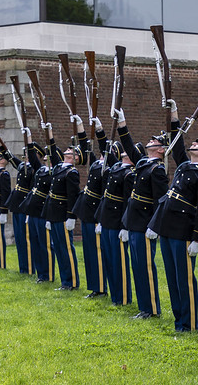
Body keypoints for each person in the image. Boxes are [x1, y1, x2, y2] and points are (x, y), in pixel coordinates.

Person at [147, 100, 198, 332]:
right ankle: (179, 320)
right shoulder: (185, 166)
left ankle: (189, 322)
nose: (194, 144)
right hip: (167, 228)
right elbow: (177, 144)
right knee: (173, 278)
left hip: (184, 231)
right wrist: (174, 114)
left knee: (184, 280)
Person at [117, 108, 169, 319]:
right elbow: (129, 146)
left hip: (146, 223)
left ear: (162, 149)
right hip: (134, 221)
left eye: (155, 141)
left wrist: (154, 226)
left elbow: (160, 201)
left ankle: (152, 309)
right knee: (137, 266)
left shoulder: (157, 170)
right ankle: (143, 307)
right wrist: (122, 124)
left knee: (146, 267)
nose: (149, 141)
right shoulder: (143, 163)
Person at [41, 115, 87, 290]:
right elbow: (53, 150)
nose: (66, 150)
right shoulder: (60, 167)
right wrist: (49, 132)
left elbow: (72, 196)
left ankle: (72, 282)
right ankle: (65, 281)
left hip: (62, 214)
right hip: (53, 212)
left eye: (70, 150)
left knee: (66, 248)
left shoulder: (72, 172)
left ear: (75, 157)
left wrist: (71, 217)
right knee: (58, 247)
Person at [72, 116, 112, 298]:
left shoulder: (109, 166)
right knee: (89, 253)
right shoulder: (96, 162)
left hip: (96, 213)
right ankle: (94, 286)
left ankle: (101, 288)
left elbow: (104, 146)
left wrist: (100, 130)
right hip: (86, 212)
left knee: (97, 253)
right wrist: (80, 127)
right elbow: (85, 148)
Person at [95, 135, 134, 307]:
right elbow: (106, 149)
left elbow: (127, 202)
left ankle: (123, 297)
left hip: (118, 220)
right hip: (107, 218)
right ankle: (114, 296)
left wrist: (124, 226)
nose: (124, 152)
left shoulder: (129, 174)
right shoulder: (117, 167)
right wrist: (100, 131)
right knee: (109, 259)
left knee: (120, 262)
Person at [19, 136, 55, 283]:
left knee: (45, 245)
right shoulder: (40, 170)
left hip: (42, 212)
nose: (45, 157)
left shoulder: (54, 172)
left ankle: (49, 275)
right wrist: (28, 140)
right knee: (35, 244)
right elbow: (33, 158)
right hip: (33, 211)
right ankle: (41, 274)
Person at [2, 131, 35, 275]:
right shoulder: (22, 166)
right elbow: (8, 156)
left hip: (24, 205)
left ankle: (29, 268)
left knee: (26, 239)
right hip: (16, 205)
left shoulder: (34, 169)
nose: (26, 155)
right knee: (20, 239)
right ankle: (23, 267)